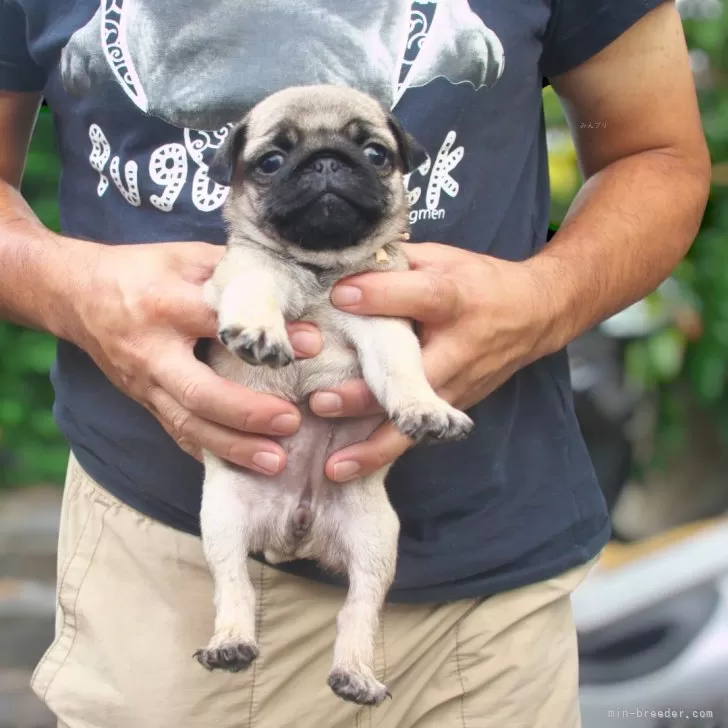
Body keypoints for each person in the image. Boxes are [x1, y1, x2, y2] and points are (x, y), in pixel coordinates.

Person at [0, 1, 709, 726]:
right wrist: (69, 289)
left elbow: (656, 154)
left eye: (370, 155)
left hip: (488, 581)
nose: (327, 171)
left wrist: (546, 298)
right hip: (167, 559)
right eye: (276, 161)